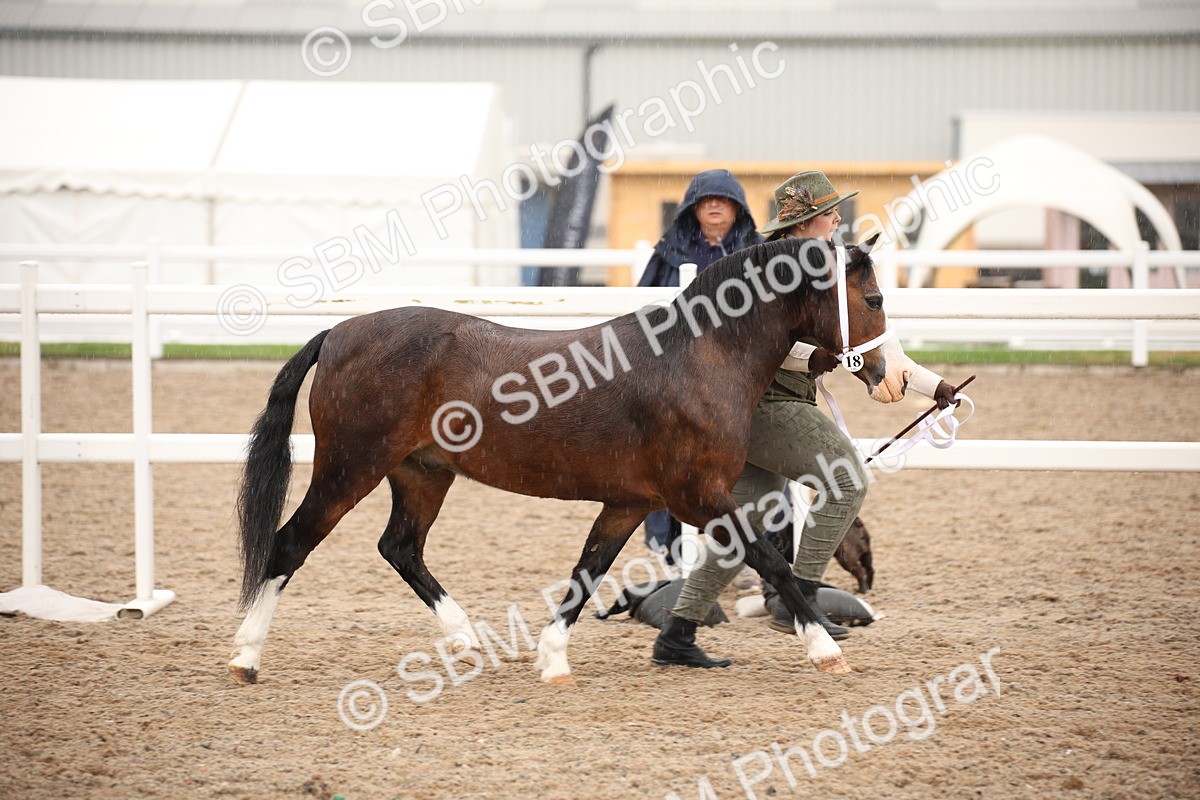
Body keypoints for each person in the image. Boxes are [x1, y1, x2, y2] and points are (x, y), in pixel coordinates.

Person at [651, 170, 960, 668]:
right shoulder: (765, 272)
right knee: (846, 478)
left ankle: (678, 633)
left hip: (766, 410)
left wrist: (933, 387)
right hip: (768, 406)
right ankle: (802, 601)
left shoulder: (828, 270)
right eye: (829, 213)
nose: (839, 219)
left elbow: (880, 342)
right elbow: (749, 337)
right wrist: (805, 359)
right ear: (807, 222)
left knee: (741, 525)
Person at [637, 169, 764, 570]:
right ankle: (671, 552)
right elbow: (643, 309)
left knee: (742, 461)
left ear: (736, 208)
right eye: (705, 199)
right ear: (693, 208)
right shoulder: (668, 254)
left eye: (722, 199)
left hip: (738, 376)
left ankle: (739, 557)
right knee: (665, 459)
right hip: (677, 373)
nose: (713, 205)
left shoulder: (758, 253)